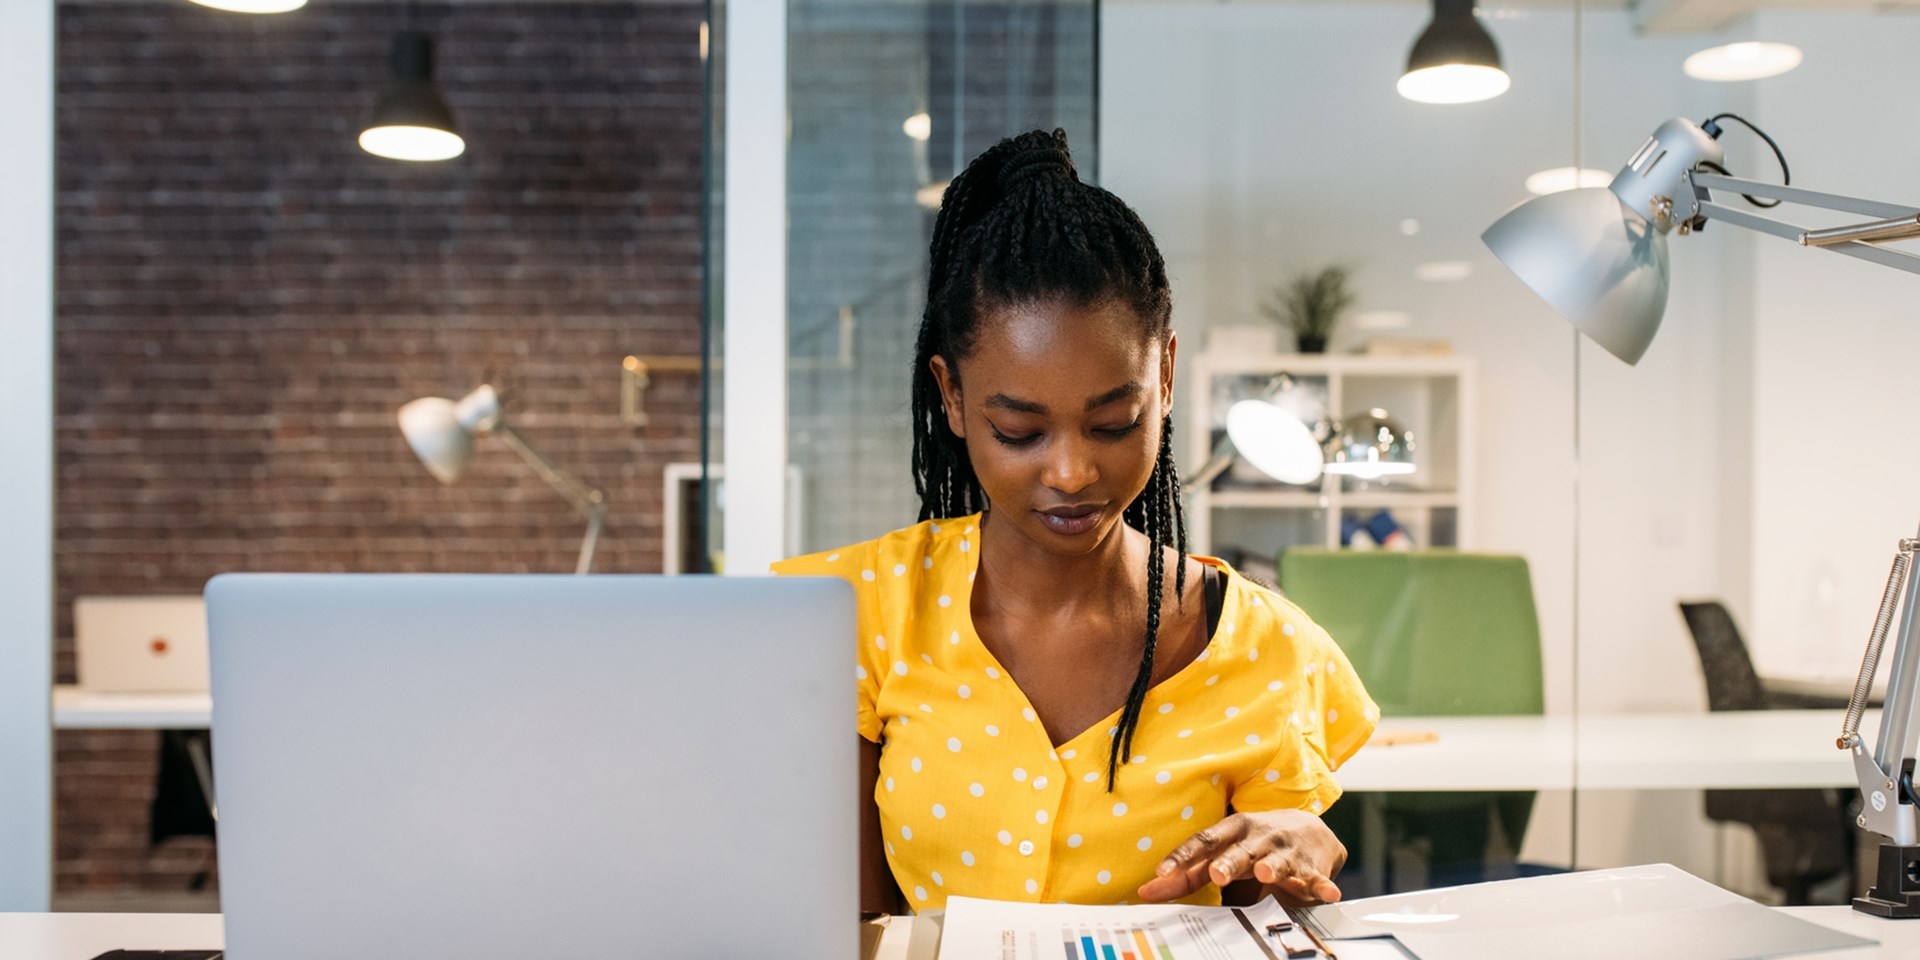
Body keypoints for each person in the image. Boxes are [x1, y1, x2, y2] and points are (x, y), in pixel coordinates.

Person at [773, 128, 1376, 914]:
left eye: (1114, 422)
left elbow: (1270, 922)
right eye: (1020, 432)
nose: (1071, 473)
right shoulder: (855, 611)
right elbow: (853, 927)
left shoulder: (1263, 647)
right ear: (951, 396)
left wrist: (1304, 853)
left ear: (1162, 374)